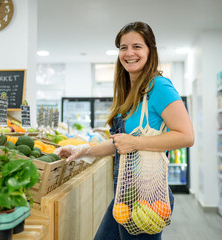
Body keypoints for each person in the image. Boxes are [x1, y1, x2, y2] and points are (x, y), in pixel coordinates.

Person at [54, 21, 194, 240]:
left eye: (137, 46)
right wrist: (83, 150)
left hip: (147, 197)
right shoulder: (131, 92)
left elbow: (187, 136)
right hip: (126, 192)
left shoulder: (158, 87)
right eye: (123, 47)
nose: (129, 53)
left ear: (150, 50)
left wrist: (136, 143)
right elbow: (121, 143)